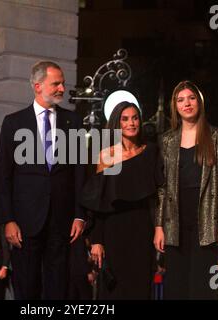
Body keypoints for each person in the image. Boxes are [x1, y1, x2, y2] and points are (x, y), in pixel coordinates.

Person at [0, 61, 85, 299]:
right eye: (56, 83)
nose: (62, 88)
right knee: (26, 287)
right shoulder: (13, 123)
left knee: (58, 287)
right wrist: (8, 220)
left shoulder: (73, 122)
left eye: (63, 83)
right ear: (37, 86)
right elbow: (3, 177)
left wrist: (79, 214)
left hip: (61, 221)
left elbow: (79, 172)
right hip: (24, 223)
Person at [154, 80, 218, 300]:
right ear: (175, 106)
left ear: (199, 102)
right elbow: (162, 189)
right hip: (174, 219)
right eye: (180, 100)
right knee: (176, 284)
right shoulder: (167, 140)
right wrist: (159, 226)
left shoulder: (217, 136)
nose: (186, 103)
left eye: (191, 98)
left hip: (206, 218)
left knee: (203, 284)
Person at [81, 101, 163, 299]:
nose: (131, 123)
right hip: (113, 231)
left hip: (142, 230)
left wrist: (159, 228)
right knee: (113, 291)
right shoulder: (105, 156)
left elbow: (159, 196)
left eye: (135, 118)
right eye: (125, 119)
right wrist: (97, 241)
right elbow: (97, 204)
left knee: (140, 289)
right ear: (116, 124)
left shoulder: (151, 152)